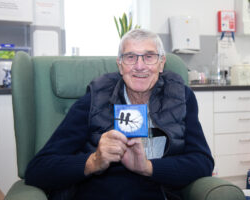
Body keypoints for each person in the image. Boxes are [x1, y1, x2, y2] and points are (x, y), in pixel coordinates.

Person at [25, 29, 214, 200]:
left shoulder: (179, 95)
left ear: (161, 63)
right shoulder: (96, 98)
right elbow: (38, 169)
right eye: (130, 57)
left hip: (158, 192)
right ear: (120, 65)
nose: (140, 66)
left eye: (149, 57)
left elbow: (202, 161)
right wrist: (94, 161)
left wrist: (148, 167)